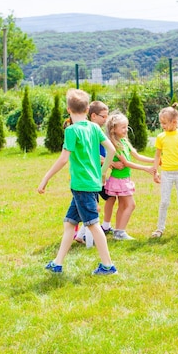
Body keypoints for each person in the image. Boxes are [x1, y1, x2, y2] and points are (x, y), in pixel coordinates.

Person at [38, 89, 118, 275]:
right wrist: (102, 171)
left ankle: (108, 266)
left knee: (92, 225)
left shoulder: (72, 131)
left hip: (82, 186)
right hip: (86, 185)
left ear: (68, 109)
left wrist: (45, 178)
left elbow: (63, 159)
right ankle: (57, 264)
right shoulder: (94, 127)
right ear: (88, 108)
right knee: (69, 223)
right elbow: (112, 150)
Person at [103, 111, 157, 240]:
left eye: (126, 127)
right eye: (123, 127)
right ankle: (120, 232)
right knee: (131, 205)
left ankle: (118, 232)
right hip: (119, 180)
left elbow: (137, 156)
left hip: (123, 179)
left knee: (123, 205)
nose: (126, 130)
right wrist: (146, 168)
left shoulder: (124, 142)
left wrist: (154, 160)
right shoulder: (116, 145)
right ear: (113, 129)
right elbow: (126, 163)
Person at [151, 104, 178, 238]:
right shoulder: (160, 137)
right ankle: (159, 229)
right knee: (164, 201)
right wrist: (155, 171)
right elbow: (158, 155)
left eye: (164, 123)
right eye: (161, 123)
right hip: (167, 174)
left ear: (174, 122)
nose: (162, 125)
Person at [73, 100, 112, 246]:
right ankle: (88, 239)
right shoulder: (90, 131)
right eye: (103, 116)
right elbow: (91, 155)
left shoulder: (96, 130)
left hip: (95, 177)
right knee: (92, 208)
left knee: (98, 203)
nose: (105, 120)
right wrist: (107, 165)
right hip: (90, 178)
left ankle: (83, 234)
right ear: (93, 115)